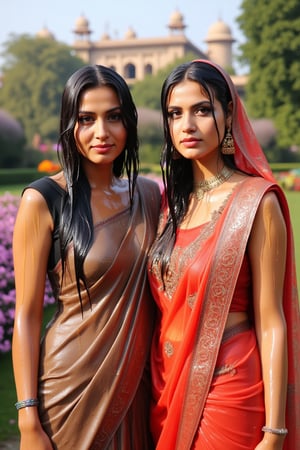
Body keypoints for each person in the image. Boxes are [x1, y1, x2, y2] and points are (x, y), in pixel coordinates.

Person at [147, 59, 300, 449]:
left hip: (228, 387)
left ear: (228, 113)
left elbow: (272, 321)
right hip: (165, 385)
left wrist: (275, 431)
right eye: (175, 113)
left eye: (202, 109)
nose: (187, 125)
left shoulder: (255, 202)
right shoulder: (168, 206)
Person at [12, 64, 161, 450]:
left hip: (137, 385)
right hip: (69, 388)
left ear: (128, 121)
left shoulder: (147, 196)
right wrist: (28, 418)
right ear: (69, 125)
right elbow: (26, 317)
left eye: (113, 117)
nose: (101, 132)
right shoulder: (44, 200)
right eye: (86, 119)